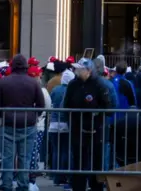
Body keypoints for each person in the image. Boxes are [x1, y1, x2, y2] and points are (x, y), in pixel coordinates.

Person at [0, 55, 45, 191]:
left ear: (13, 66)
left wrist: (2, 116)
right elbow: (41, 104)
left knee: (7, 159)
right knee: (24, 158)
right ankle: (23, 185)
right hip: (28, 125)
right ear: (26, 67)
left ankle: (6, 185)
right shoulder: (33, 83)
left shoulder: (4, 82)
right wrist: (33, 116)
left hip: (8, 124)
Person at [63, 59, 116, 191]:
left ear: (88, 71)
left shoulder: (99, 85)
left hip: (96, 130)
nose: (76, 71)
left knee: (96, 162)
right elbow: (66, 105)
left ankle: (96, 187)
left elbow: (109, 107)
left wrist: (97, 113)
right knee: (79, 161)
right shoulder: (73, 85)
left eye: (80, 69)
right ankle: (78, 187)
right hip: (77, 129)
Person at [48, 70, 75, 186]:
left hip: (54, 124)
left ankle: (56, 177)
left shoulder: (55, 89)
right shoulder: (70, 91)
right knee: (66, 151)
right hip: (66, 123)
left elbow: (51, 102)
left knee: (56, 151)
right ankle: (65, 176)